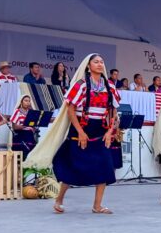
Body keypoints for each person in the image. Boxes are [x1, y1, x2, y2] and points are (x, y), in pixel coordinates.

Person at [48, 54, 120, 214]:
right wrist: (80, 132)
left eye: (102, 62)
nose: (100, 64)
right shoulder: (80, 85)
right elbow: (71, 110)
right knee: (73, 165)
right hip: (81, 127)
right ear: (88, 66)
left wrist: (110, 131)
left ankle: (97, 206)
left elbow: (113, 111)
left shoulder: (110, 86)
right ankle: (59, 199)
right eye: (96, 62)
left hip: (101, 129)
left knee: (105, 165)